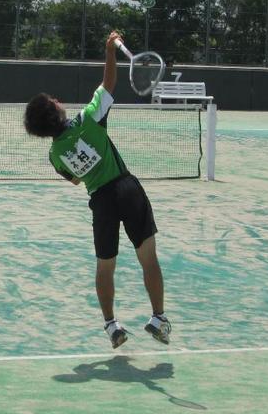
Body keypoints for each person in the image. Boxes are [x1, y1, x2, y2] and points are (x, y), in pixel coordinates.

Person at [23, 30, 170, 350]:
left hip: (101, 201)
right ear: (55, 110)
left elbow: (76, 179)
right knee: (148, 258)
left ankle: (111, 325)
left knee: (105, 266)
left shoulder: (55, 155)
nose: (57, 100)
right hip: (127, 189)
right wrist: (109, 51)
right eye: (53, 101)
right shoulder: (89, 117)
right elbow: (109, 84)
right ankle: (159, 318)